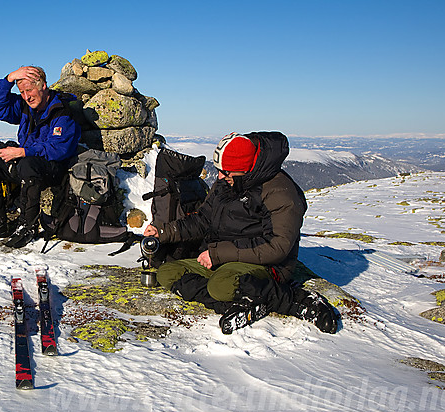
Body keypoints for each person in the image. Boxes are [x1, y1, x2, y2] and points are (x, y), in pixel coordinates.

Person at [143, 131, 339, 334]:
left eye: (225, 172)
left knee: (220, 286)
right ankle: (237, 305)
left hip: (266, 265)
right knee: (168, 273)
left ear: (243, 168)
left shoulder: (280, 193)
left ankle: (296, 300)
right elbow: (203, 220)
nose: (219, 176)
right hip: (224, 257)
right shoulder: (228, 182)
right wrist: (163, 232)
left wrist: (218, 254)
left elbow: (277, 247)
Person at [0, 66, 81, 248]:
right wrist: (9, 78)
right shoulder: (25, 107)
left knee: (28, 165)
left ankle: (27, 226)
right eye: (22, 92)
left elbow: (59, 149)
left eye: (29, 90)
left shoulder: (62, 110)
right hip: (28, 163)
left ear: (43, 86)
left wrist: (23, 152)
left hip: (54, 169)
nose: (26, 96)